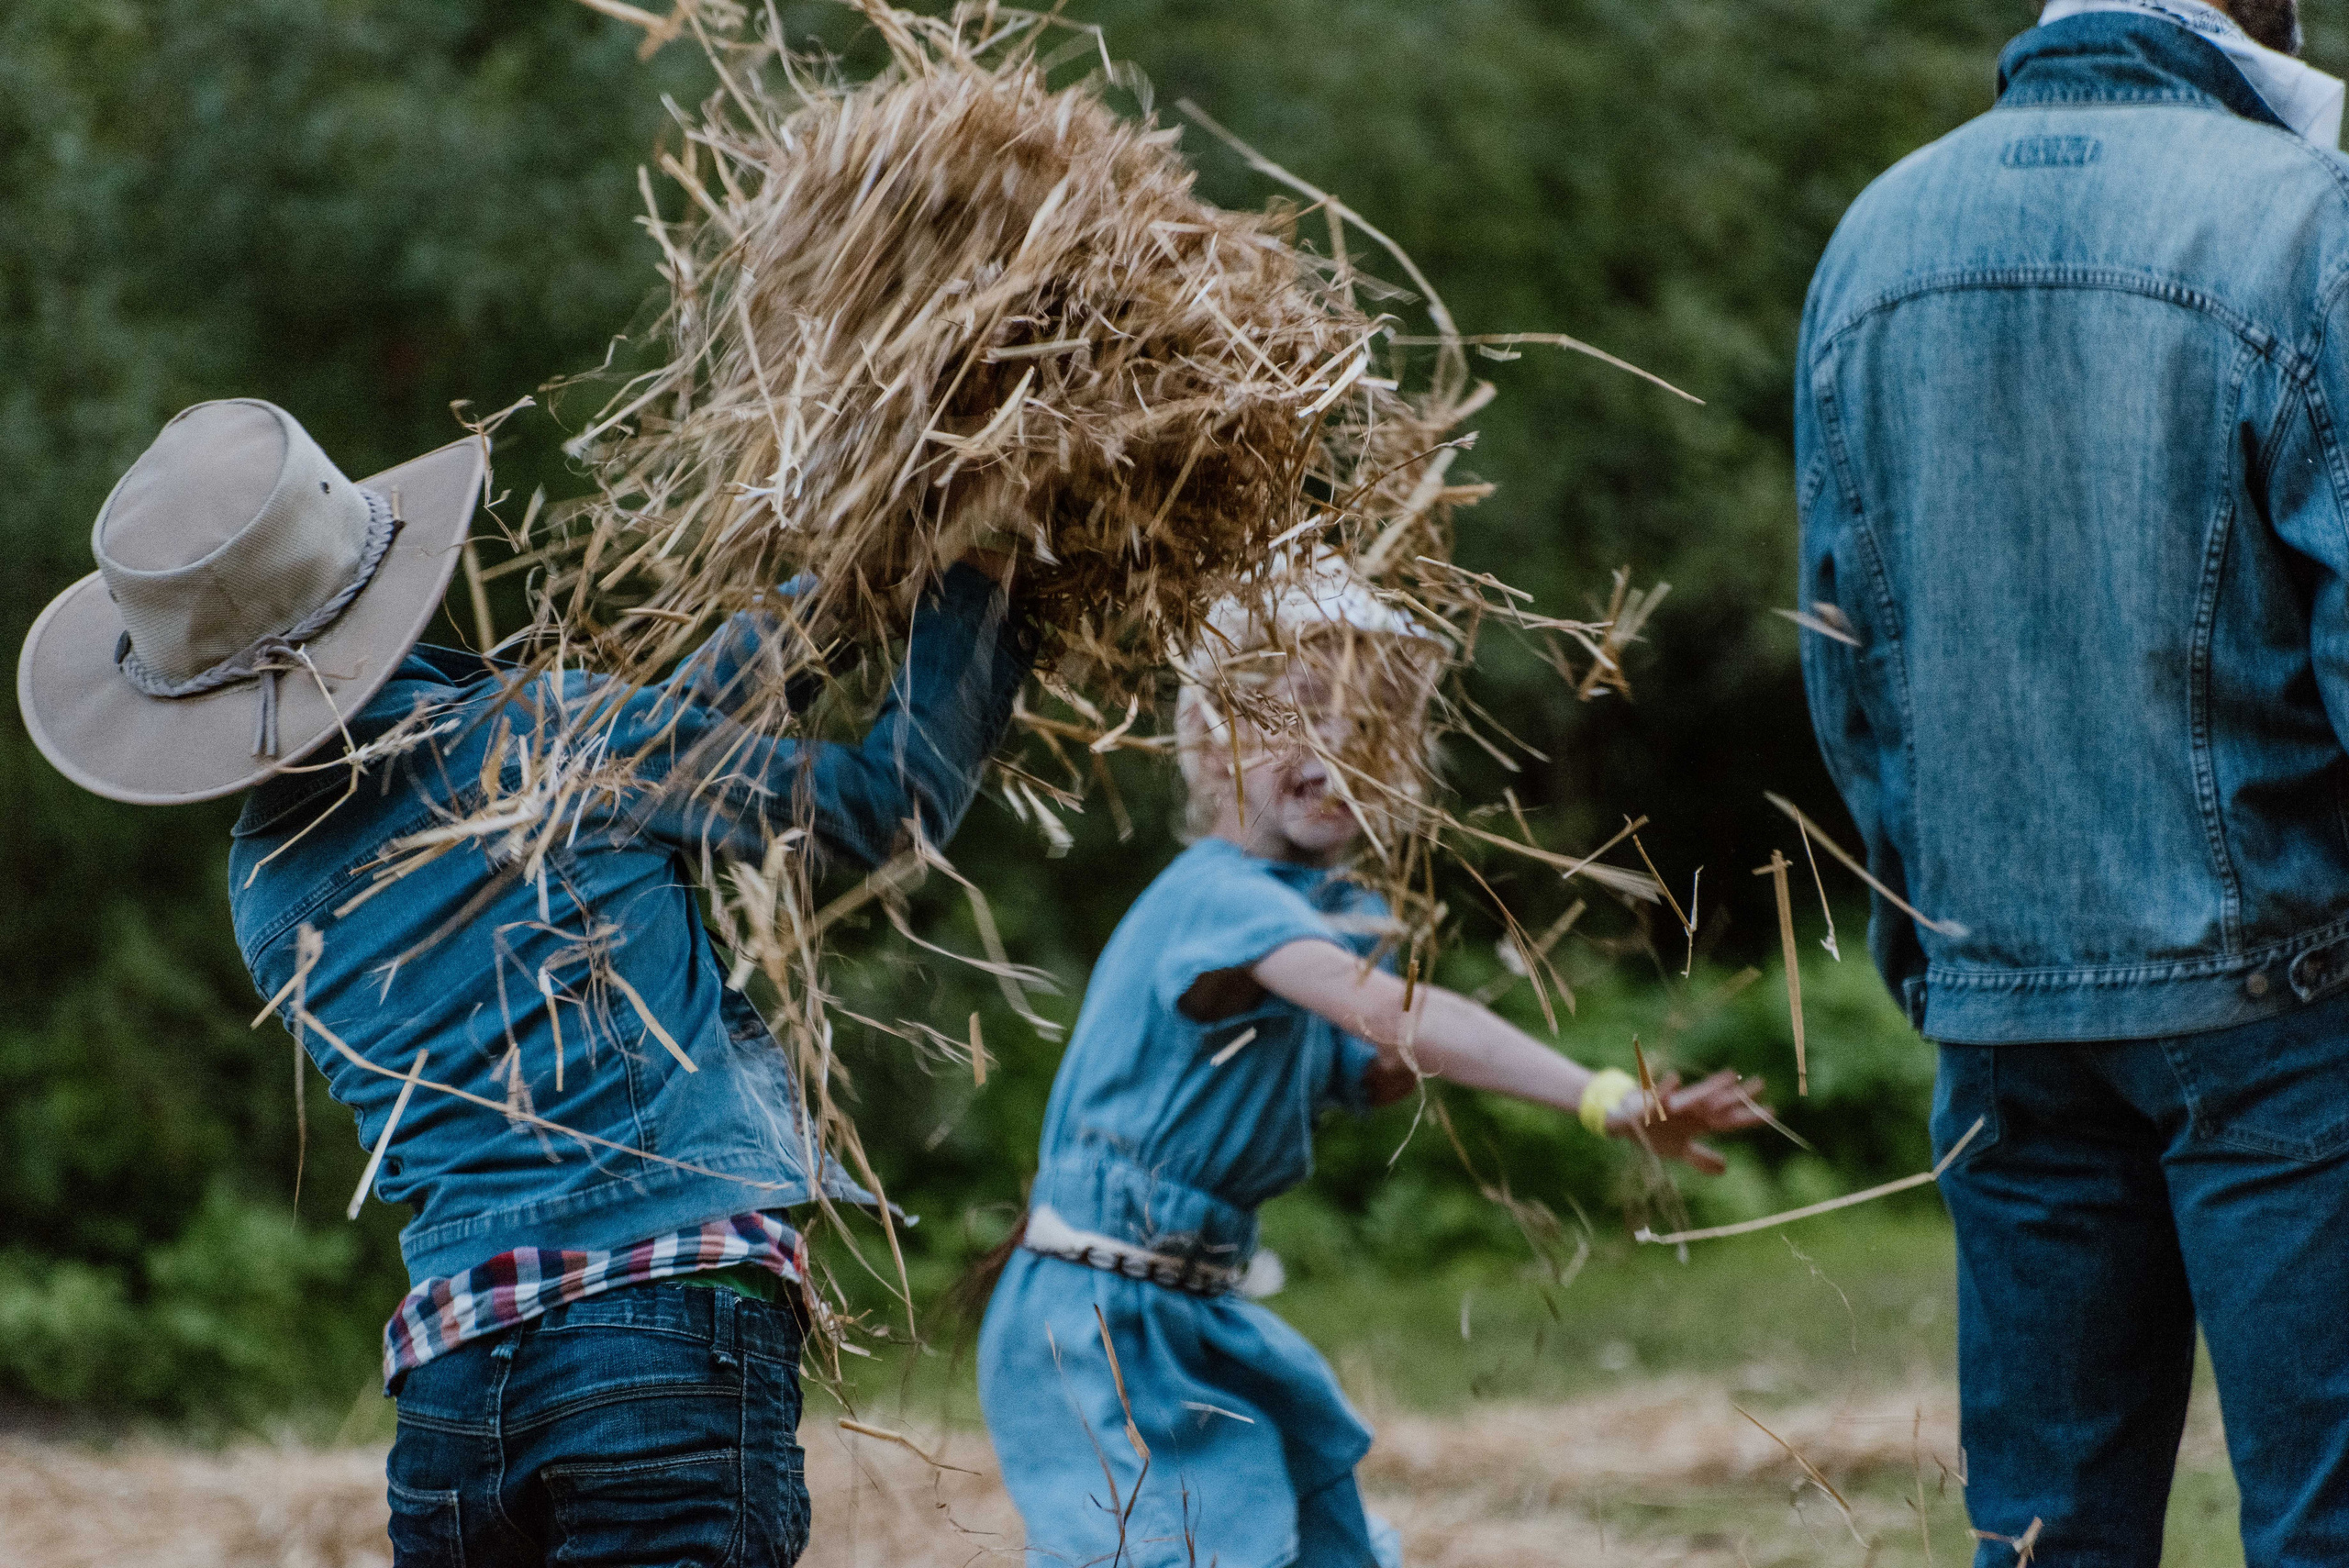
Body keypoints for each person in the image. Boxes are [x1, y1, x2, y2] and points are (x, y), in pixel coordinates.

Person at [16, 398, 1035, 1566]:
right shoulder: (553, 741)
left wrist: (846, 591)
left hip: (456, 1393)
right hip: (663, 1349)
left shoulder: (267, 884)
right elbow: (875, 808)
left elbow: (641, 759)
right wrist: (982, 577)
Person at [1795, 3, 2349, 1562]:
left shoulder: (1876, 235)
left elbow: (1848, 663)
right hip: (2281, 986)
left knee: (2048, 1532)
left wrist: (1933, 934)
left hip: (2002, 997)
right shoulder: (2304, 222)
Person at [975, 568, 1765, 1568]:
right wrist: (1602, 1097)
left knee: (1322, 1542)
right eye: (1299, 714)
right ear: (1215, 747)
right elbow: (1399, 1014)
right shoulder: (1218, 898)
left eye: (1374, 727)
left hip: (1199, 1303)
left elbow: (1373, 1058)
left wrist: (1403, 1049)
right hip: (1098, 1318)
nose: (1338, 750)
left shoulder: (1326, 910)